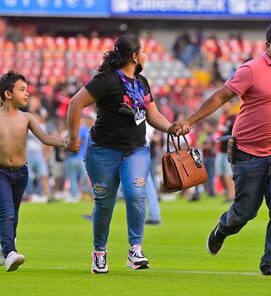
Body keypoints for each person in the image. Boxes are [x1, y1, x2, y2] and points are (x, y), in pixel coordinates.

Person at [171, 21, 271, 276]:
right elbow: (221, 96)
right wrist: (190, 121)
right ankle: (222, 229)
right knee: (244, 212)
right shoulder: (251, 70)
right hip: (249, 154)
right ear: (268, 45)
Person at [67, 34, 173, 274]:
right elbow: (75, 104)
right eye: (143, 51)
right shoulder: (104, 81)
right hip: (103, 150)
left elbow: (153, 115)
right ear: (134, 56)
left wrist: (171, 127)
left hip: (135, 150)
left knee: (136, 194)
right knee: (104, 203)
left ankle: (135, 250)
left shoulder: (142, 82)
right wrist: (73, 139)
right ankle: (99, 252)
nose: (146, 55)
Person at [0, 71, 66, 272]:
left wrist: (67, 143)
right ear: (8, 94)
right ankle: (10, 252)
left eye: (27, 90)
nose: (27, 94)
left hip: (21, 174)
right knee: (7, 212)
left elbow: (46, 138)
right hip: (1, 172)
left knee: (14, 215)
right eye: (22, 90)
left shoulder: (27, 117)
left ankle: (3, 251)